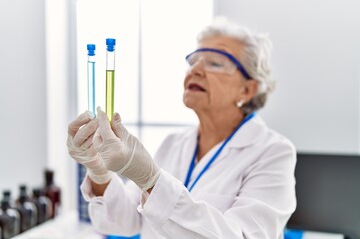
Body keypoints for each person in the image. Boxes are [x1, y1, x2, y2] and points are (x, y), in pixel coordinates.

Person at [67, 17, 296, 239]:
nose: (195, 70)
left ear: (247, 90)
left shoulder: (273, 153)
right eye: (193, 60)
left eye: (215, 62)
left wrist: (152, 180)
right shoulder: (173, 143)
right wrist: (98, 169)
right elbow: (124, 221)